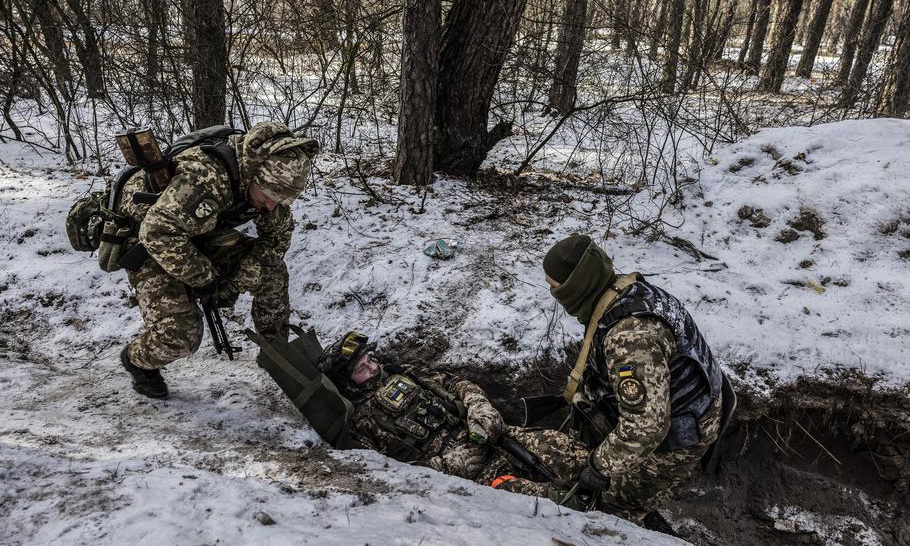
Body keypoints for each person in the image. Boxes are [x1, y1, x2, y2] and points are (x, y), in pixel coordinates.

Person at [117, 121, 316, 399]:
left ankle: (276, 351)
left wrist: (240, 277)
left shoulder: (270, 186)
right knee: (180, 336)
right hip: (148, 241)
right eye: (271, 197)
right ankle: (136, 360)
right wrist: (207, 280)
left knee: (272, 271)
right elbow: (157, 233)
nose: (273, 206)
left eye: (283, 201)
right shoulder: (204, 178)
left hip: (199, 232)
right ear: (254, 175)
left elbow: (276, 241)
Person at [543, 234, 726, 525]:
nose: (551, 293)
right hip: (684, 406)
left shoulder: (630, 339)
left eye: (555, 288)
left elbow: (647, 427)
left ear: (576, 286)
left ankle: (640, 520)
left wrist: (600, 466)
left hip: (678, 435)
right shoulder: (624, 292)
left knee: (609, 511)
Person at [317, 332, 589, 498]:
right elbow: (386, 478)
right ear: (347, 382)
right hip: (472, 480)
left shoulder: (404, 372)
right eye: (361, 369)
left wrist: (478, 405)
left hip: (496, 439)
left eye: (370, 360)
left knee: (572, 455)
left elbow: (456, 383)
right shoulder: (360, 425)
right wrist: (443, 467)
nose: (373, 369)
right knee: (554, 504)